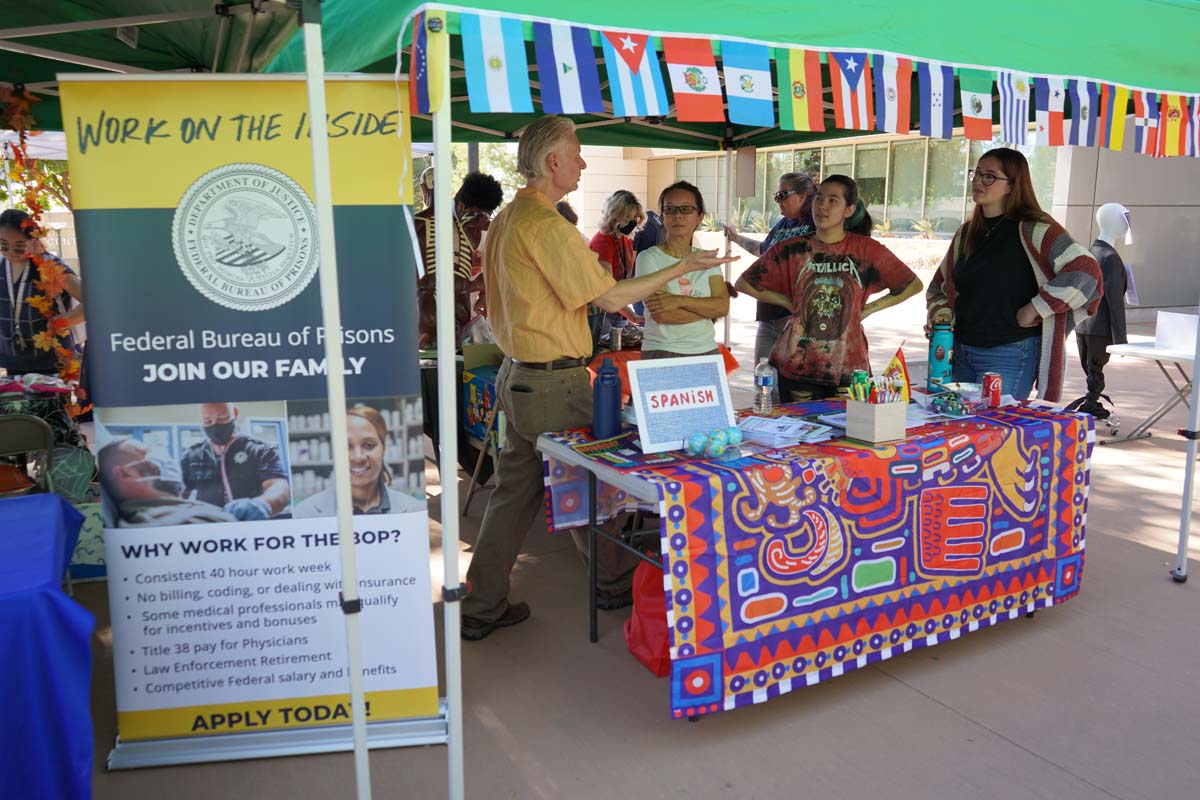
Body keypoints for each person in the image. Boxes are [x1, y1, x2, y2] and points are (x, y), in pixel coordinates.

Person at [462, 114, 735, 641]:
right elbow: (610, 297)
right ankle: (612, 581)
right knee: (597, 481)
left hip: (517, 374)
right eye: (578, 151)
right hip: (550, 382)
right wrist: (682, 271)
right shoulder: (546, 226)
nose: (584, 161)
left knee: (514, 491)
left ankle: (482, 599)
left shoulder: (508, 219)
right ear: (552, 162)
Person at [926, 148, 1102, 401]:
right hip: (960, 350)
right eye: (976, 174)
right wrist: (941, 315)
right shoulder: (967, 232)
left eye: (990, 177)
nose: (978, 182)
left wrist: (1036, 307)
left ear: (1012, 185)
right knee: (956, 428)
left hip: (1009, 353)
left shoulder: (1036, 229)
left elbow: (1086, 270)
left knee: (994, 433)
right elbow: (939, 287)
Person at [735, 175, 923, 400]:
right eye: (819, 199)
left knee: (847, 432)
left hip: (848, 369)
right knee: (799, 431)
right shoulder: (793, 248)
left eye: (833, 200)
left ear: (849, 210)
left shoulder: (867, 250)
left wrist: (868, 309)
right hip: (798, 368)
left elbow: (912, 285)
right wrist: (786, 301)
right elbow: (744, 283)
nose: (822, 206)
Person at [637, 181, 730, 359]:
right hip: (662, 350)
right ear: (662, 217)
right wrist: (706, 310)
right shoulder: (648, 258)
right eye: (670, 209)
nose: (678, 215)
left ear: (700, 217)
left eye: (686, 209)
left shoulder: (707, 259)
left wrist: (677, 300)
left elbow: (722, 306)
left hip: (706, 350)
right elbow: (662, 314)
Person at [414, 170, 504, 348]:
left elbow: (496, 269)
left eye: (487, 215)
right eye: (477, 216)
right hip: (425, 322)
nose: (482, 222)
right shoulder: (426, 224)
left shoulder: (488, 231)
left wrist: (484, 294)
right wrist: (472, 285)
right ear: (462, 207)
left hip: (467, 323)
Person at [293, 405, 423, 517]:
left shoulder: (415, 509)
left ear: (384, 448)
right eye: (346, 446)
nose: (358, 457)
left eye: (368, 445)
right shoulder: (304, 513)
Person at [0, 209, 85, 377]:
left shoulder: (51, 267)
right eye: (3, 245)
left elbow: (94, 301)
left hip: (54, 362)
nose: (10, 253)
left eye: (19, 247)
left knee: (53, 403)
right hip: (13, 360)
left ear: (33, 240)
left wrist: (64, 321)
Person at [179, 402, 291, 520]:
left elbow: (278, 486)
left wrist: (262, 505)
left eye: (222, 419)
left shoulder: (260, 450)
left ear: (235, 414)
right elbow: (177, 493)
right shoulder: (191, 456)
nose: (215, 426)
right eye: (208, 421)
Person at [1071, 203, 1130, 420]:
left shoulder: (1088, 251)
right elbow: (1114, 301)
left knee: (1092, 369)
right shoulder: (1110, 257)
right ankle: (1091, 403)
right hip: (1101, 325)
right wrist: (1120, 339)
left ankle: (1091, 402)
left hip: (1083, 323)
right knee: (1095, 369)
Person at [98, 438, 235, 527]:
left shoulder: (181, 511)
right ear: (124, 473)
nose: (165, 459)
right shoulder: (175, 523)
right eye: (145, 452)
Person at [589, 189, 645, 334]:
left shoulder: (624, 239)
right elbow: (607, 289)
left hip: (619, 312)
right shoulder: (602, 243)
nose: (633, 223)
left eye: (636, 218)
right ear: (616, 216)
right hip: (602, 314)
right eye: (629, 218)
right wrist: (633, 316)